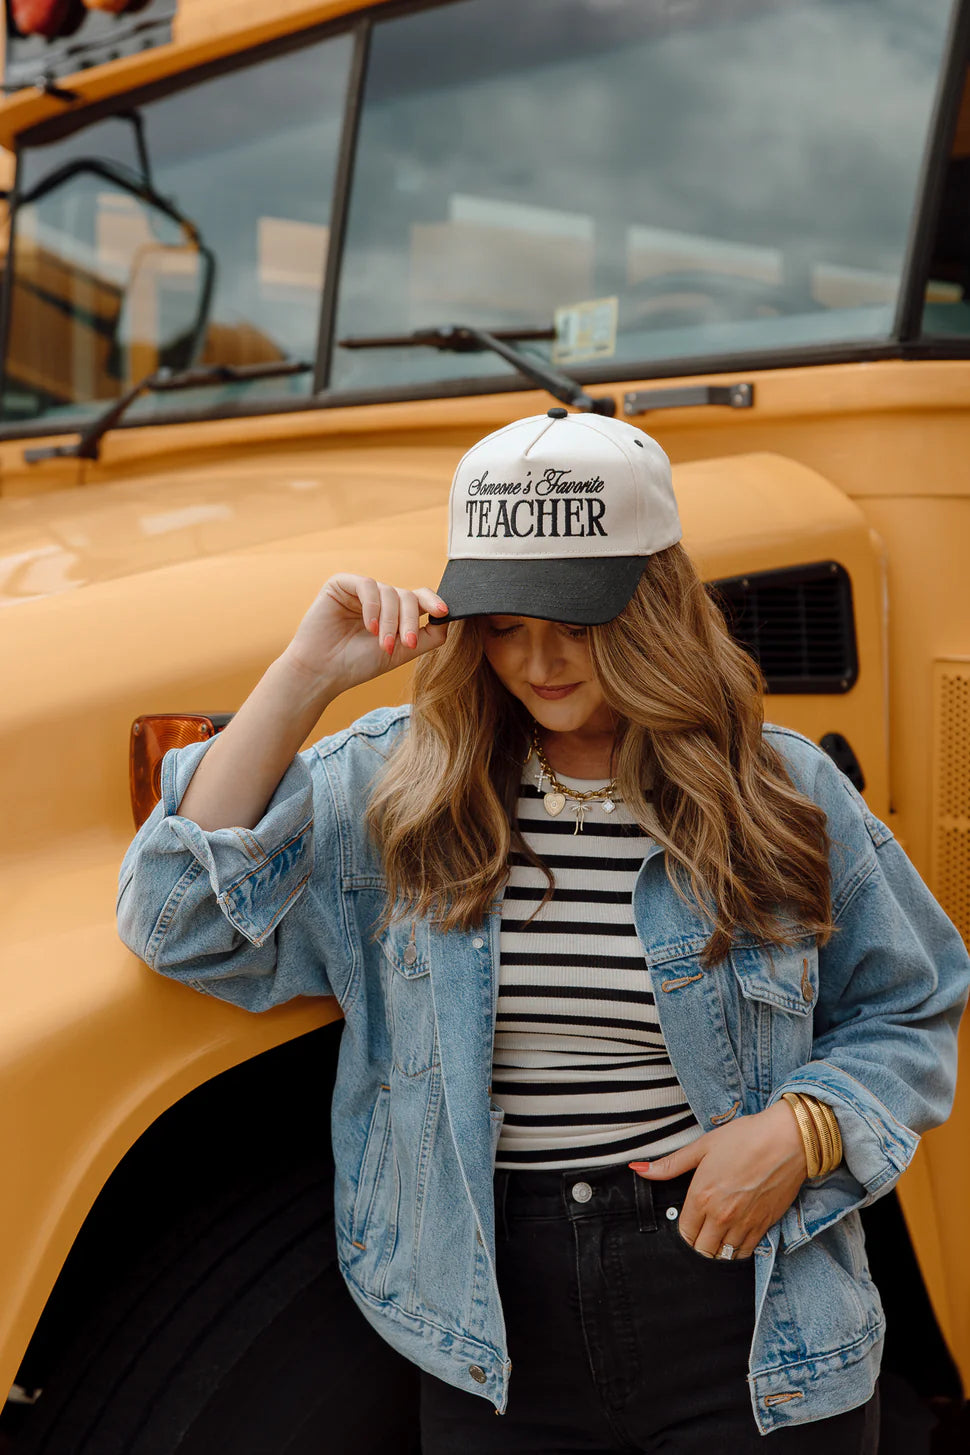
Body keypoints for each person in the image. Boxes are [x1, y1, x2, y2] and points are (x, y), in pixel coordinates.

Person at [117, 409, 970, 1453]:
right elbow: (177, 918)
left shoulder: (777, 789)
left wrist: (802, 1132)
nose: (538, 660)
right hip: (489, 1337)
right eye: (506, 622)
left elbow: (912, 1006)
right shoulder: (403, 789)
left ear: (650, 607)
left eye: (576, 620)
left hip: (754, 1318)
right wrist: (303, 676)